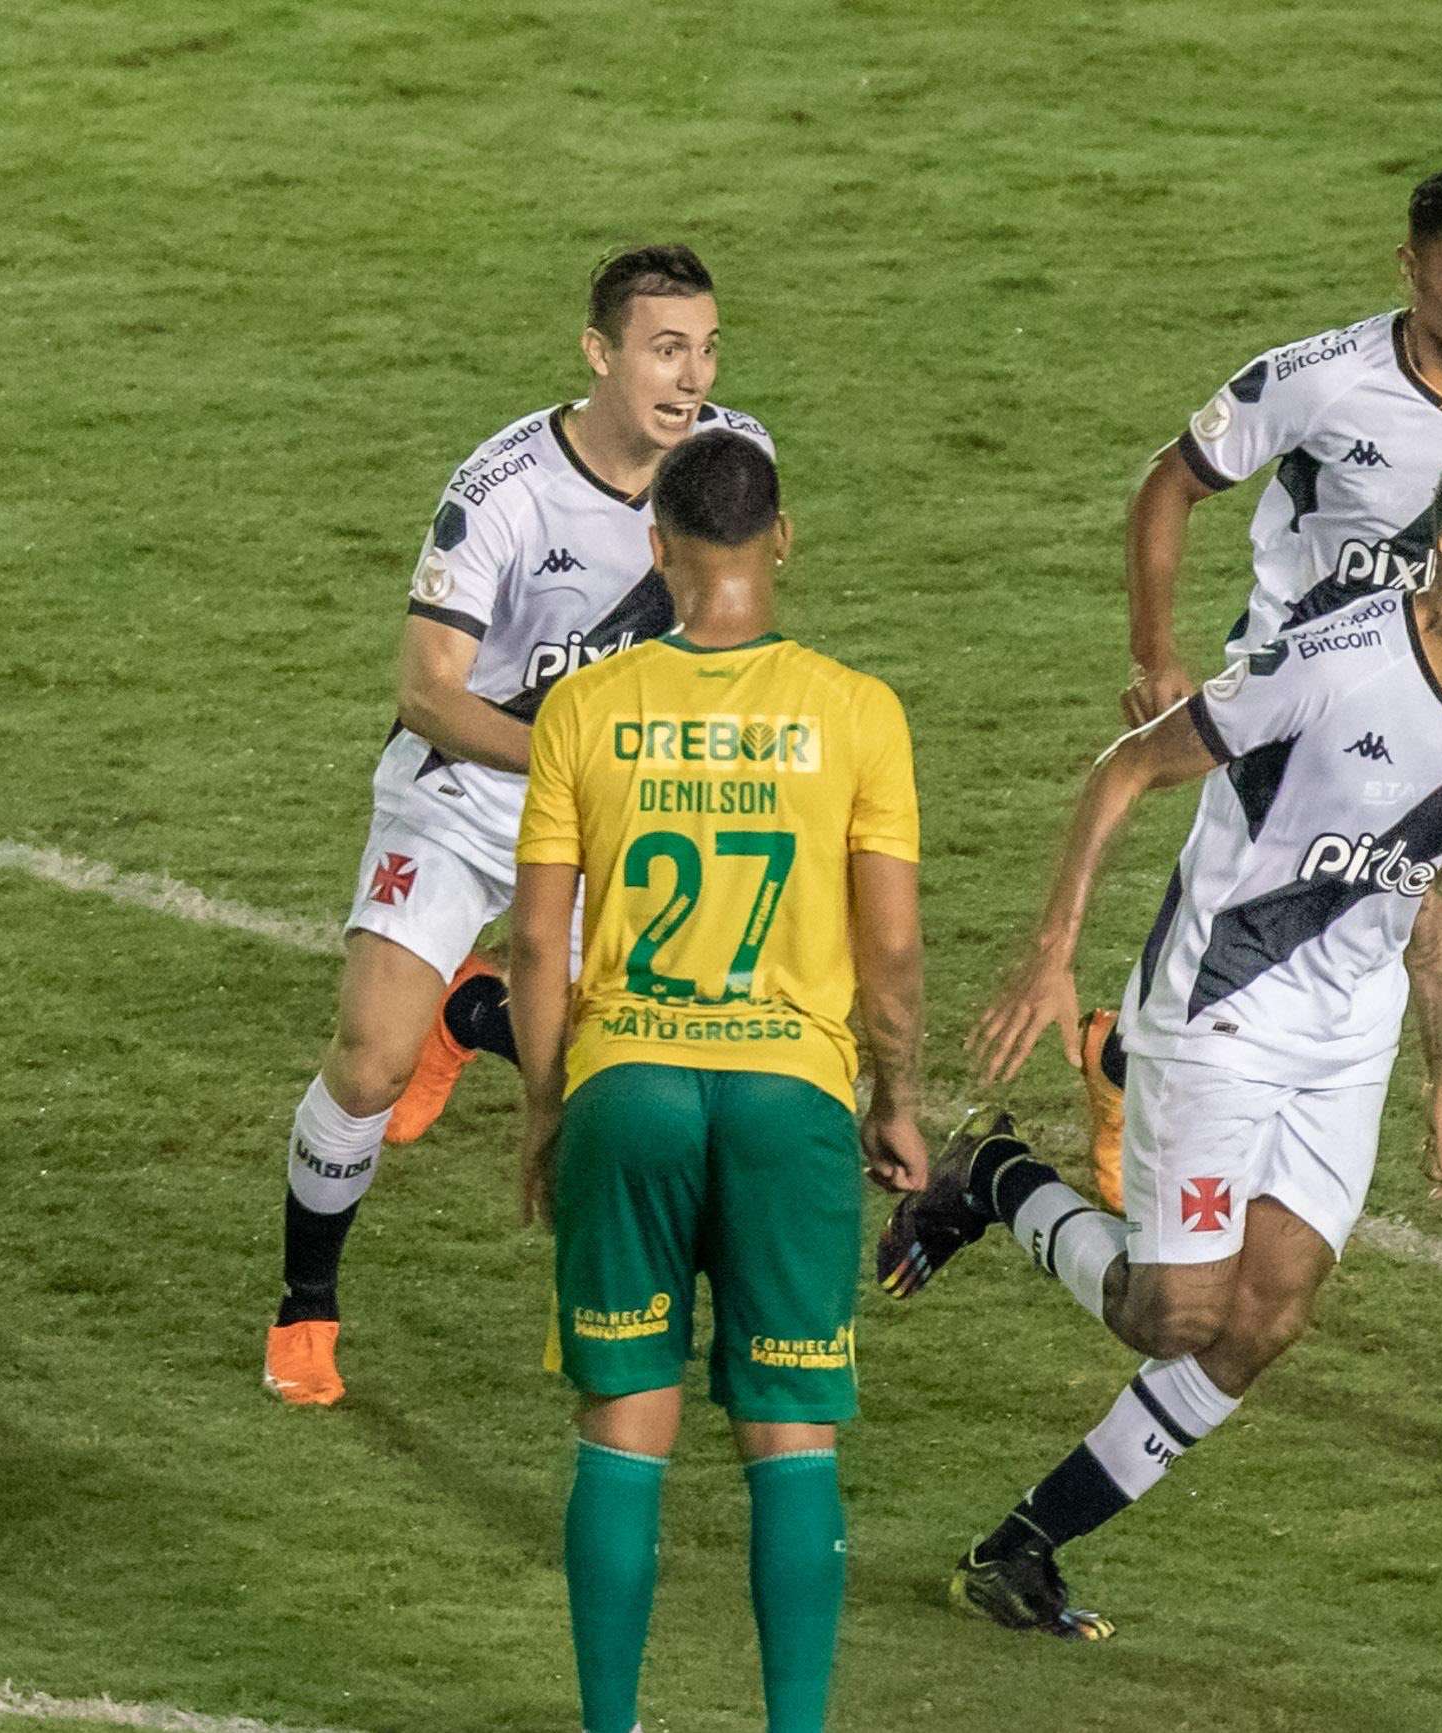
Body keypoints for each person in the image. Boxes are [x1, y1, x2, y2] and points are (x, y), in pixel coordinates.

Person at [877, 445, 1442, 1638]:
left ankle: (1023, 1543)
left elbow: (1435, 869)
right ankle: (994, 1176)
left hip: (1352, 1037)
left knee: (1264, 1322)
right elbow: (1127, 771)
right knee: (1173, 1317)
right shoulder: (1331, 661)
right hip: (1224, 1009)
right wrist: (1053, 947)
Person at [1072, 162, 1442, 1209]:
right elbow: (1171, 483)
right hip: (1300, 686)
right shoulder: (1323, 376)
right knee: (1247, 876)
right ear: (1411, 268)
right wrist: (1152, 652)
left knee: (1392, 886)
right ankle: (1143, 1077)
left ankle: (1206, 1079)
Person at [265, 245, 772, 1406]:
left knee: (623, 1058)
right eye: (663, 348)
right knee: (370, 1060)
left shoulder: (732, 459)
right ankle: (305, 1305)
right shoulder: (500, 492)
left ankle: (480, 1013)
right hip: (471, 785)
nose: (690, 376)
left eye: (704, 348)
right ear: (599, 355)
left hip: (614, 796)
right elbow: (429, 691)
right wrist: (577, 753)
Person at [513, 428, 926, 1733]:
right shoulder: (858, 711)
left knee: (623, 1418)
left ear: (658, 547)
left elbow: (536, 938)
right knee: (792, 1429)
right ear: (781, 537)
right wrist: (897, 1097)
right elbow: (894, 945)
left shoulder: (584, 709)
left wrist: (543, 1106)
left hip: (625, 1084)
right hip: (787, 1094)